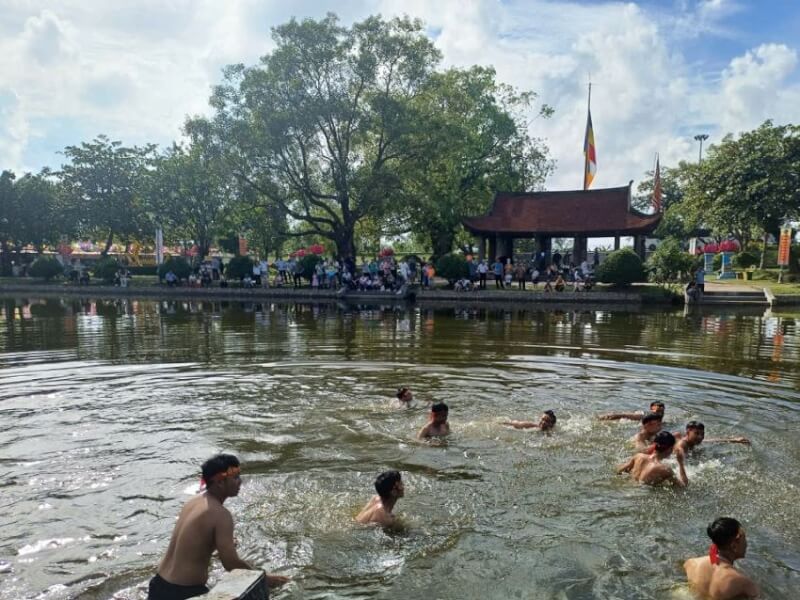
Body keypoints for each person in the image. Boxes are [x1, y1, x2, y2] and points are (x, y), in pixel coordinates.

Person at [148, 454, 288, 599]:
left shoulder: (193, 502)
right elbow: (230, 563)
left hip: (158, 584)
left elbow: (194, 542)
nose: (240, 482)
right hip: (184, 593)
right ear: (220, 482)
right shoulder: (221, 515)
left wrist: (218, 545)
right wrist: (264, 578)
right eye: (235, 478)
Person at [684, 517, 758, 599]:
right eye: (744, 539)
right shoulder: (743, 583)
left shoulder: (690, 563)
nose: (746, 544)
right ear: (734, 546)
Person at [616, 430, 688, 487]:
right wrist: (681, 463)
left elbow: (619, 471)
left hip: (628, 487)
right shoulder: (665, 469)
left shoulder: (638, 456)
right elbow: (683, 485)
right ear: (670, 449)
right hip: (640, 495)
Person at [675, 421, 750, 458]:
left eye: (702, 434)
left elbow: (711, 441)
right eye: (697, 433)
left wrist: (734, 440)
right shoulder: (682, 445)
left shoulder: (692, 441)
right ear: (688, 432)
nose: (700, 437)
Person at [599, 401, 665, 421]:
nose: (660, 414)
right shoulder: (643, 416)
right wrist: (602, 419)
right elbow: (622, 415)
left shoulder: (659, 419)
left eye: (662, 412)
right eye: (658, 411)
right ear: (651, 409)